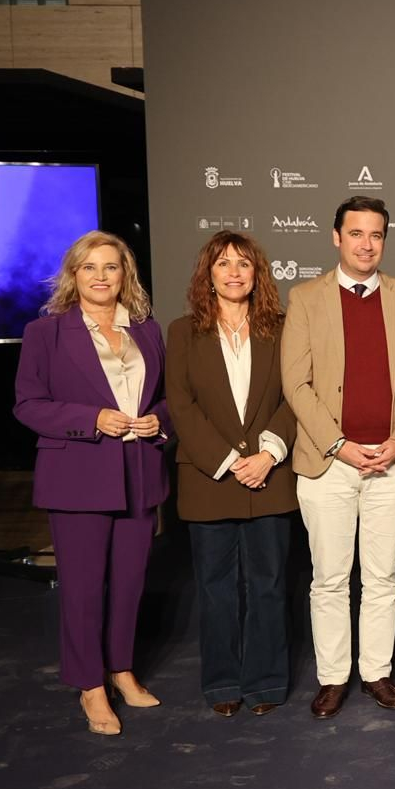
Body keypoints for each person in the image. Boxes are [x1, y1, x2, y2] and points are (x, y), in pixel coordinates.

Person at [280, 196, 395, 720]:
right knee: (328, 577)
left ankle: (376, 672)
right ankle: (332, 678)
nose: (366, 245)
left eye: (376, 235)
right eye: (356, 234)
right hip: (329, 464)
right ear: (336, 238)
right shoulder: (304, 299)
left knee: (382, 576)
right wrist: (340, 445)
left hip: (393, 462)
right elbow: (295, 385)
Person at [13, 231, 171, 736]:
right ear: (73, 275)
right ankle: (90, 685)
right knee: (83, 589)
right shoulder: (47, 333)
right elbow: (28, 405)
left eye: (111, 267)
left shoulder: (147, 330)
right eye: (90, 268)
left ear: (125, 274)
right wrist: (92, 418)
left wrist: (157, 422)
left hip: (138, 473)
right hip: (78, 477)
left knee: (129, 584)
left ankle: (121, 670)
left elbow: (167, 399)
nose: (101, 276)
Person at [165, 231, 298, 718]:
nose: (235, 272)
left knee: (268, 584)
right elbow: (181, 403)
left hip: (270, 474)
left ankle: (266, 682)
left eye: (244, 264)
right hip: (209, 480)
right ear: (209, 274)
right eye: (223, 264)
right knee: (216, 588)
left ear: (258, 273)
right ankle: (222, 682)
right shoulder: (183, 331)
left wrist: (268, 452)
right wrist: (226, 460)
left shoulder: (283, 328)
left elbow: (297, 395)